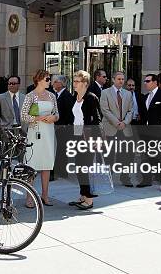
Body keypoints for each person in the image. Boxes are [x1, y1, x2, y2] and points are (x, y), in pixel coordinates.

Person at [21, 69, 59, 207]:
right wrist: (39, 118)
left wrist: (53, 117)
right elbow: (24, 116)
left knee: (47, 165)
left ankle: (45, 195)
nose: (50, 82)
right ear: (39, 80)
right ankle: (29, 197)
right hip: (35, 132)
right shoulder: (30, 96)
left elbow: (57, 114)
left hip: (49, 132)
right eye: (47, 79)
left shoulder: (52, 96)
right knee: (32, 165)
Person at [67, 70, 101, 210]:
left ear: (85, 83)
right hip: (77, 137)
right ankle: (83, 195)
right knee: (79, 167)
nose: (74, 83)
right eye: (74, 81)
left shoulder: (91, 97)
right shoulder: (74, 97)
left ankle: (89, 199)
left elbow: (97, 119)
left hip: (88, 138)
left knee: (84, 168)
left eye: (77, 81)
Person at [138, 73, 161, 192]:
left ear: (155, 82)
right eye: (144, 81)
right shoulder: (145, 97)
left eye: (148, 81)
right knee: (148, 157)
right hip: (146, 133)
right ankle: (147, 179)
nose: (145, 83)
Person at [99, 71, 134, 187]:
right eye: (119, 79)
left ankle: (125, 177)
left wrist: (124, 122)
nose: (121, 81)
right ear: (113, 80)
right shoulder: (105, 93)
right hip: (110, 128)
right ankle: (107, 178)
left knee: (125, 155)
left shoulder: (128, 94)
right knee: (108, 154)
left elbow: (131, 110)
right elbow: (105, 110)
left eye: (123, 79)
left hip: (124, 129)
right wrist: (116, 122)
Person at [52, 74, 74, 179]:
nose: (53, 84)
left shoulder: (67, 96)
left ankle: (62, 172)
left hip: (63, 127)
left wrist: (66, 125)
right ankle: (59, 171)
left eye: (55, 82)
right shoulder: (56, 95)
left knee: (62, 150)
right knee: (59, 149)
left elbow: (70, 113)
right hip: (56, 127)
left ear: (61, 84)